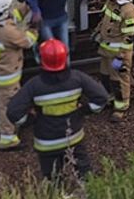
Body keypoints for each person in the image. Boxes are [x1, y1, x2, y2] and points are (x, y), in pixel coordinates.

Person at [6, 39, 109, 180]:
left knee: (53, 178)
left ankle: (58, 198)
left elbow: (13, 112)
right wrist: (84, 110)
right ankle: (89, 195)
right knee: (85, 173)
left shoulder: (34, 85)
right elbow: (102, 97)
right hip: (73, 139)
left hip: (47, 144)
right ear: (65, 58)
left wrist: (31, 120)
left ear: (41, 59)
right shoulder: (78, 78)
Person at [0, 0, 38, 150]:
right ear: (3, 12)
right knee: (9, 105)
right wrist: (34, 27)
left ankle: (2, 125)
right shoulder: (7, 32)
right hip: (7, 75)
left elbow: (15, 16)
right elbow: (27, 41)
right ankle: (8, 138)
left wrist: (27, 4)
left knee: (0, 101)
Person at [95, 0, 134, 122]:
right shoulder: (112, 1)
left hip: (118, 54)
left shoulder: (128, 11)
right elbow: (105, 20)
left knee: (118, 79)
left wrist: (121, 56)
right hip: (106, 50)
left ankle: (120, 107)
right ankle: (108, 99)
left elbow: (128, 37)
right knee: (105, 76)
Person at [27, 0, 82, 65]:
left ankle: (66, 71)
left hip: (61, 19)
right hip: (46, 20)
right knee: (53, 49)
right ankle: (43, 57)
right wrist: (36, 12)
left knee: (65, 50)